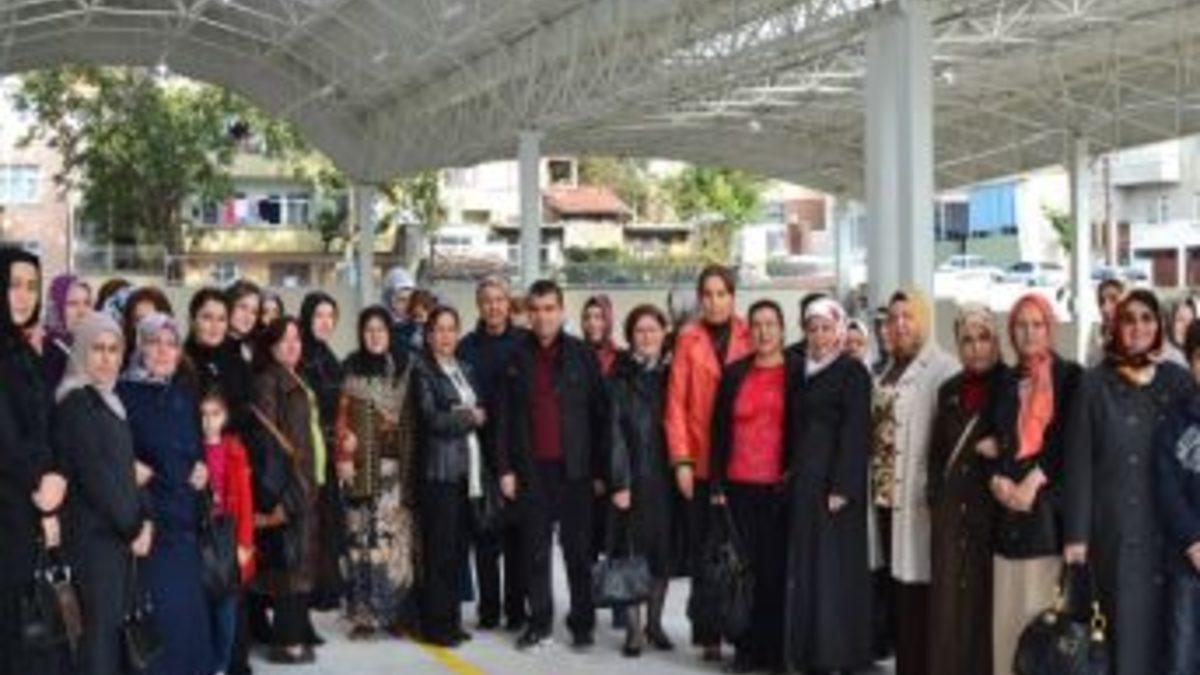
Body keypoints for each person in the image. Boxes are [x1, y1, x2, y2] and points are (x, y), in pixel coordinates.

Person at [1064, 289, 1196, 675]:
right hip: (1116, 531)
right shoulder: (1093, 384)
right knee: (1121, 635)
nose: (1138, 327)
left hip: (1168, 534)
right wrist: (1076, 536)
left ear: (1160, 326)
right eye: (1129, 319)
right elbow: (1078, 462)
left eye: (1147, 318)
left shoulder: (1177, 380)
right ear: (1116, 327)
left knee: (1172, 640)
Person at [495, 280, 609, 651]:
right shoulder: (515, 357)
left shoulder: (582, 355)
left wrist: (600, 472)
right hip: (531, 471)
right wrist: (505, 469)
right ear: (528, 314)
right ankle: (539, 622)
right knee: (535, 552)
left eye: (549, 309)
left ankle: (582, 624)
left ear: (561, 311)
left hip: (575, 471)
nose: (542, 317)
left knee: (578, 553)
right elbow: (503, 419)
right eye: (536, 310)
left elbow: (600, 416)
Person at [980, 294, 1081, 675]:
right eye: (1021, 325)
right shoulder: (1005, 381)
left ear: (1049, 329)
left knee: (1044, 631)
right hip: (1007, 522)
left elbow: (1070, 444)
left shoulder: (1071, 378)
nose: (1029, 333)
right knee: (1007, 629)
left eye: (1037, 324)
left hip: (1048, 524)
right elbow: (992, 439)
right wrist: (996, 480)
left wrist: (1033, 483)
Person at [54, 311, 155, 675]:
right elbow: (97, 478)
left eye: (114, 349)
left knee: (114, 637)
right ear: (81, 350)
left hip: (116, 540)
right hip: (93, 544)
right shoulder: (77, 403)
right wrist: (134, 527)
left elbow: (126, 473)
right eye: (97, 348)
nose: (106, 358)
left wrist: (144, 519)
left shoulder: (109, 401)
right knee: (98, 641)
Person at [117, 313, 214, 675]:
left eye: (171, 344)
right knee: (161, 617)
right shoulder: (123, 393)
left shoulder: (182, 393)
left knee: (189, 617)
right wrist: (130, 467)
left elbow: (194, 447)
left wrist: (201, 468)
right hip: (150, 523)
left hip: (184, 519)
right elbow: (115, 453)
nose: (163, 351)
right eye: (154, 342)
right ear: (140, 346)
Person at [664, 264, 751, 662]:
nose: (715, 302)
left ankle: (742, 629)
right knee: (705, 552)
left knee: (742, 549)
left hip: (742, 461)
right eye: (708, 294)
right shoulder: (688, 338)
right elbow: (675, 405)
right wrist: (681, 460)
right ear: (700, 298)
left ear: (733, 296)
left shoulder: (750, 333)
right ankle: (709, 632)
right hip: (699, 461)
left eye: (722, 294)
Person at [783, 297, 874, 675]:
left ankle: (837, 653)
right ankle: (808, 651)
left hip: (835, 488)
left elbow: (856, 432)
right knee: (808, 568)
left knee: (834, 571)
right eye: (812, 329)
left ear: (839, 331)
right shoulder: (802, 370)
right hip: (805, 484)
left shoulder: (852, 372)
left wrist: (843, 486)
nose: (819, 336)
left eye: (826, 328)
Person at [871, 289, 958, 675]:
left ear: (924, 320)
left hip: (920, 502)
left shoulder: (943, 369)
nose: (900, 325)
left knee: (921, 595)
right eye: (893, 318)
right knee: (899, 595)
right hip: (886, 502)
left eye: (908, 316)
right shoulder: (887, 370)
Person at [709, 300, 791, 673]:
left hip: (779, 490)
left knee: (775, 572)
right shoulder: (734, 374)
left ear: (782, 330)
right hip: (738, 487)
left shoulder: (796, 372)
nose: (763, 331)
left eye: (770, 324)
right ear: (748, 331)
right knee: (742, 572)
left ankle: (773, 651)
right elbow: (718, 431)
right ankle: (744, 649)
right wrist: (716, 483)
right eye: (756, 324)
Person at [0, 248, 68, 675]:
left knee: (34, 631)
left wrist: (56, 476)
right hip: (11, 509)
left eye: (31, 286)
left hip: (34, 508)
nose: (24, 296)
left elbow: (46, 424)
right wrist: (40, 486)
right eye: (13, 285)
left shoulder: (24, 351)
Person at [926, 304, 1003, 675]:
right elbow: (937, 452)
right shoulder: (949, 390)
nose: (976, 348)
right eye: (967, 340)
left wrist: (1003, 445)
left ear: (997, 341)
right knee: (949, 604)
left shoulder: (1011, 385)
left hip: (993, 511)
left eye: (983, 338)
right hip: (951, 512)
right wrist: (935, 500)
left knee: (986, 603)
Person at [334, 306, 420, 639]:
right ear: (361, 333)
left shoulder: (404, 368)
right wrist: (343, 453)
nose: (374, 336)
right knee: (360, 540)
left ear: (390, 333)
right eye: (368, 330)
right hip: (358, 469)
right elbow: (340, 418)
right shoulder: (350, 368)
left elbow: (412, 420)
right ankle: (364, 616)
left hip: (394, 473)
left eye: (380, 329)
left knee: (394, 541)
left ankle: (396, 615)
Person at [250, 317, 326, 665]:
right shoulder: (269, 382)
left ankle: (296, 633)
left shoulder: (297, 378)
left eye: (297, 338)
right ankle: (287, 642)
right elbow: (268, 442)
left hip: (308, 482)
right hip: (290, 486)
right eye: (284, 340)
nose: (292, 345)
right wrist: (286, 492)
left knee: (300, 561)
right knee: (290, 565)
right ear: (271, 346)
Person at [456, 276, 527, 632]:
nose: (494, 306)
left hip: (517, 450)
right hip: (478, 450)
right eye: (487, 301)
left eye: (500, 299)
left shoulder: (524, 342)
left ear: (508, 302)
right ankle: (488, 610)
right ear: (479, 305)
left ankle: (515, 610)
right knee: (485, 534)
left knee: (516, 536)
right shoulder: (466, 347)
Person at [414, 306, 486, 647]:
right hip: (439, 473)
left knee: (457, 552)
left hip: (466, 473)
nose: (445, 336)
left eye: (451, 329)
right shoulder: (421, 371)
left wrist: (465, 413)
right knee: (439, 552)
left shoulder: (464, 369)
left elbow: (478, 409)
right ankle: (435, 626)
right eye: (439, 330)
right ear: (429, 336)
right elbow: (432, 419)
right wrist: (468, 417)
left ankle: (452, 620)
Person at [607, 304, 675, 658]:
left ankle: (655, 623)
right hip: (633, 478)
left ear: (664, 333)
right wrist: (620, 482)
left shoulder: (674, 373)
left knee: (662, 554)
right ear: (630, 336)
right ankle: (633, 631)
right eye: (640, 331)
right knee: (630, 554)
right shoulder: (620, 376)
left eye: (653, 329)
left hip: (666, 479)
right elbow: (614, 433)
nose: (647, 336)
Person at [200, 389, 256, 675]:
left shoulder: (234, 450)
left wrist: (244, 544)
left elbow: (245, 500)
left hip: (226, 537)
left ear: (226, 417)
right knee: (201, 606)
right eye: (203, 414)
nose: (209, 421)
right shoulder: (191, 449)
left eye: (215, 414)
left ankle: (221, 666)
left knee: (226, 606)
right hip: (199, 537)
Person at [298, 292, 345, 612]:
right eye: (319, 315)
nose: (325, 322)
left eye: (330, 316)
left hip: (330, 451)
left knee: (330, 521)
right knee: (310, 522)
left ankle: (327, 586)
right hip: (307, 452)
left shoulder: (330, 358)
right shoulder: (300, 356)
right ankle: (309, 587)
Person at [1157, 326, 1200, 675]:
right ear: (1190, 362)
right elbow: (1165, 484)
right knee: (1181, 656)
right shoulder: (1175, 419)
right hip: (1186, 560)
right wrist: (1192, 541)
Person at [185, 288, 255, 434]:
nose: (215, 326)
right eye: (207, 317)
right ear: (192, 320)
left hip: (234, 444)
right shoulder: (179, 362)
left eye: (221, 319)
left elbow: (248, 412)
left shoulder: (237, 363)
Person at [42, 273, 92, 388]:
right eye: (72, 304)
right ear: (56, 307)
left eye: (87, 303)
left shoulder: (85, 343)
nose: (82, 311)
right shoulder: (49, 352)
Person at [120, 286, 173, 364]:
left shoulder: (180, 365)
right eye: (139, 320)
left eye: (152, 319)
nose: (145, 325)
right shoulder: (121, 361)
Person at [1085, 278, 1124, 367]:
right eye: (1102, 301)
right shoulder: (1096, 332)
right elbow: (1090, 368)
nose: (1105, 308)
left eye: (1113, 299)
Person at [226, 280, 263, 364]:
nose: (248, 316)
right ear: (229, 306)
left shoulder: (252, 350)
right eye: (243, 307)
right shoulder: (212, 346)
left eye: (254, 312)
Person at [382, 267, 416, 351]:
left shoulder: (420, 327)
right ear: (390, 301)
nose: (408, 305)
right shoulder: (382, 330)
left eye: (411, 299)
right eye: (402, 300)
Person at [1164, 298, 1196, 367]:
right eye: (1180, 320)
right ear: (1170, 322)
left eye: (1191, 321)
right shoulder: (1165, 356)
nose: (1187, 325)